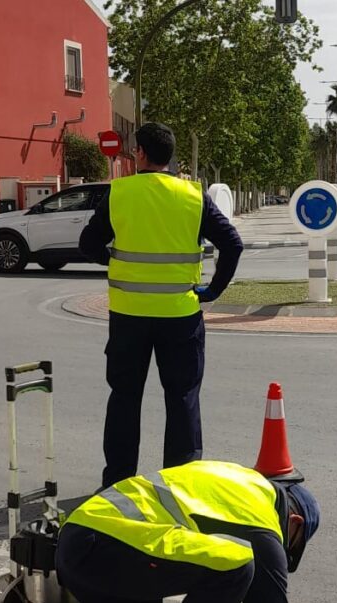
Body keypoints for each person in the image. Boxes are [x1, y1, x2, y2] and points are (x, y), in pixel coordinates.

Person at [79, 122, 244, 488]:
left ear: (140, 153)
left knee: (124, 398)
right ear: (170, 156)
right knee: (183, 399)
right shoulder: (193, 196)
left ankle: (119, 484)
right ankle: (179, 486)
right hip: (180, 316)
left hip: (128, 316)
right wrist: (213, 290)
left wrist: (116, 261)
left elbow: (87, 244)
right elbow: (233, 244)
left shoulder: (120, 192)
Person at [56, 460, 320, 603]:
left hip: (79, 541)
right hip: (114, 547)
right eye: (293, 544)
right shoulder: (264, 524)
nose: (284, 551)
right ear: (295, 521)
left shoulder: (238, 479)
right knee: (237, 566)